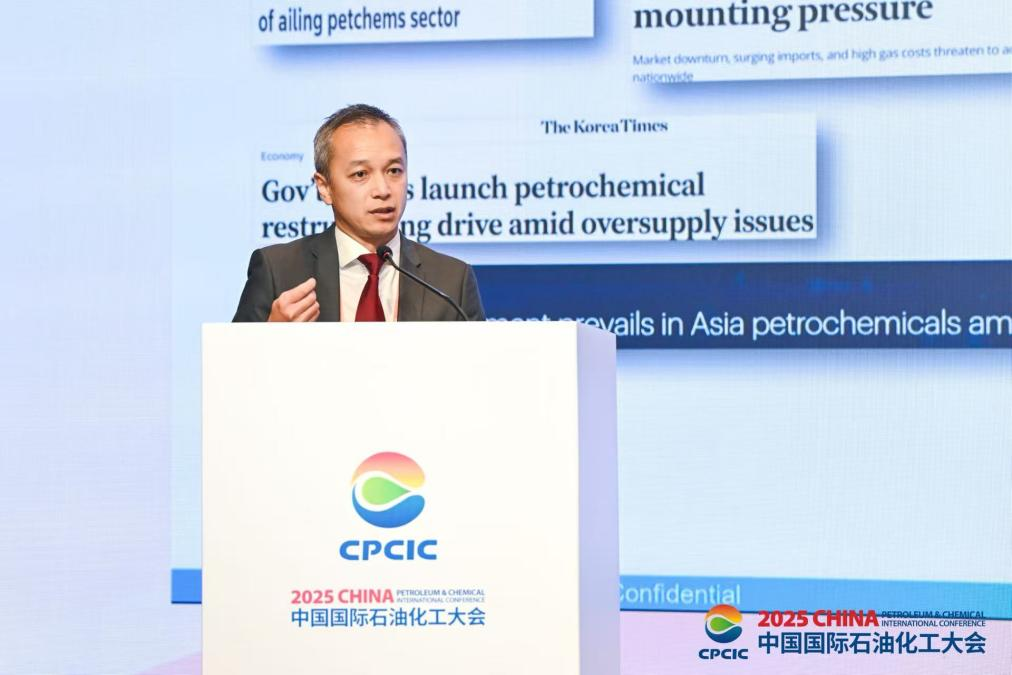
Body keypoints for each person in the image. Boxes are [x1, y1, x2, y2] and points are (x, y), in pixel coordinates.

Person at [233, 104, 485, 322]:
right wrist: (271, 338)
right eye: (360, 174)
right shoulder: (279, 271)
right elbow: (233, 362)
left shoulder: (451, 282)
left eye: (394, 171)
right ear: (324, 187)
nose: (383, 190)